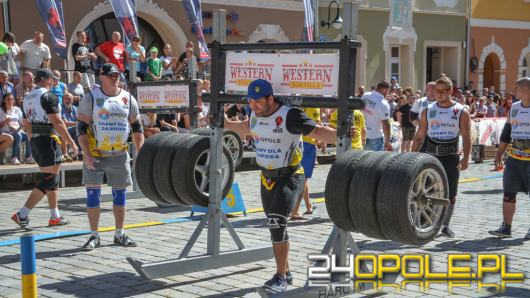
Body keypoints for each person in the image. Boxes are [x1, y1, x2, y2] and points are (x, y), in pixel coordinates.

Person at [245, 79, 356, 293]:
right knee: (275, 227)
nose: (254, 106)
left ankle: (280, 277)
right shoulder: (254, 114)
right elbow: (247, 127)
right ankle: (285, 272)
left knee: (277, 222)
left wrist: (341, 134)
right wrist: (228, 126)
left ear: (271, 98)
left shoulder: (290, 115)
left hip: (291, 175)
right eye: (250, 101)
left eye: (258, 102)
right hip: (266, 178)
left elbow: (317, 131)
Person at [76, 63, 144, 250]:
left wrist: (141, 153)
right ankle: (94, 235)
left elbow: (137, 127)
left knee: (120, 196)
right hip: (96, 155)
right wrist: (86, 155)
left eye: (117, 75)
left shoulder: (127, 98)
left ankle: (119, 234)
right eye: (111, 75)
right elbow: (81, 127)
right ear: (101, 77)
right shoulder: (91, 98)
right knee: (93, 196)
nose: (115, 78)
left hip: (119, 154)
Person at [11, 69, 78, 228]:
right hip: (47, 138)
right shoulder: (48, 95)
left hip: (36, 139)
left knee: (51, 177)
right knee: (50, 179)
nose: (54, 82)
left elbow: (26, 124)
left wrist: (32, 140)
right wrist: (71, 143)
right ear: (46, 79)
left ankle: (55, 216)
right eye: (53, 79)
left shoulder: (27, 97)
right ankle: (23, 213)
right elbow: (57, 121)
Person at [411, 76, 471, 238]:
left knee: (451, 194)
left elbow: (466, 136)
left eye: (443, 91)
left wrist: (466, 158)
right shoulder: (428, 110)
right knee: (427, 190)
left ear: (451, 91)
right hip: (430, 156)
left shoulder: (461, 111)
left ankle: (445, 225)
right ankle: (426, 221)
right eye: (437, 91)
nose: (439, 94)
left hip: (451, 156)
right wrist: (411, 156)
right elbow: (420, 135)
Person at [488, 77, 530, 239]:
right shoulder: (514, 108)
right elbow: (507, 132)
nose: (514, 92)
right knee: (508, 193)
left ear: (526, 90)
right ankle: (506, 227)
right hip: (514, 159)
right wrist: (499, 153)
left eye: (517, 89)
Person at [289, 107, 320, 220]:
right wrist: (320, 141)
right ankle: (295, 211)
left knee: (304, 177)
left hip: (299, 141)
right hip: (307, 143)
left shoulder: (301, 103)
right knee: (303, 179)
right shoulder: (313, 105)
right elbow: (316, 126)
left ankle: (308, 206)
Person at [0, 93, 32, 164]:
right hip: (5, 132)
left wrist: (24, 123)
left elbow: (21, 122)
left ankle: (29, 157)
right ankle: (14, 158)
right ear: (4, 101)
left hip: (17, 130)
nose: (10, 101)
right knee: (18, 136)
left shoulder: (17, 109)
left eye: (12, 99)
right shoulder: (1, 110)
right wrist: (5, 121)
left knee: (28, 135)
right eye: (8, 100)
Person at [361, 80, 391, 151]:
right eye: (388, 91)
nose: (388, 93)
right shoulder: (384, 104)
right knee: (376, 161)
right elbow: (386, 125)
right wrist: (387, 141)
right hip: (375, 137)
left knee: (363, 160)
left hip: (362, 134)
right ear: (385, 90)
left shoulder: (366, 95)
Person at [60, 92, 79, 161]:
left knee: (81, 131)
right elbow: (65, 124)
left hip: (74, 129)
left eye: (69, 99)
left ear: (72, 100)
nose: (68, 101)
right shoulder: (60, 109)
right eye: (66, 99)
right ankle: (66, 154)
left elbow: (79, 120)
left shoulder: (75, 108)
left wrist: (78, 124)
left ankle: (79, 152)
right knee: (65, 131)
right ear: (63, 100)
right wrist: (77, 124)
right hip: (63, 129)